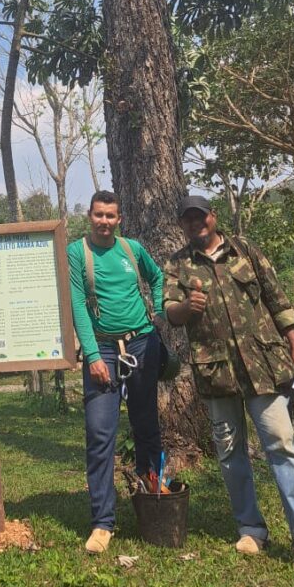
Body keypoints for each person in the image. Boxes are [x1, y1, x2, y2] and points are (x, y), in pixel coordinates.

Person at [164, 195, 294, 576]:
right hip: (216, 372)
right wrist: (186, 307)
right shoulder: (177, 264)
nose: (196, 224)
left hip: (263, 366)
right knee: (229, 454)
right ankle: (251, 528)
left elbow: (278, 299)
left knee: (283, 447)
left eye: (200, 216)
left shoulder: (246, 250)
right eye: (188, 220)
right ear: (184, 225)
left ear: (213, 216)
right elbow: (170, 313)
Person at [67, 190, 165, 553]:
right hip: (103, 350)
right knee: (99, 434)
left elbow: (156, 279)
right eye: (98, 215)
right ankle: (103, 522)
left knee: (146, 427)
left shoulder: (132, 249)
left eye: (110, 216)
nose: (104, 222)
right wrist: (92, 355)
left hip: (141, 343)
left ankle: (152, 501)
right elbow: (77, 302)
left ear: (119, 218)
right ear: (89, 216)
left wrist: (157, 311)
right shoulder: (78, 253)